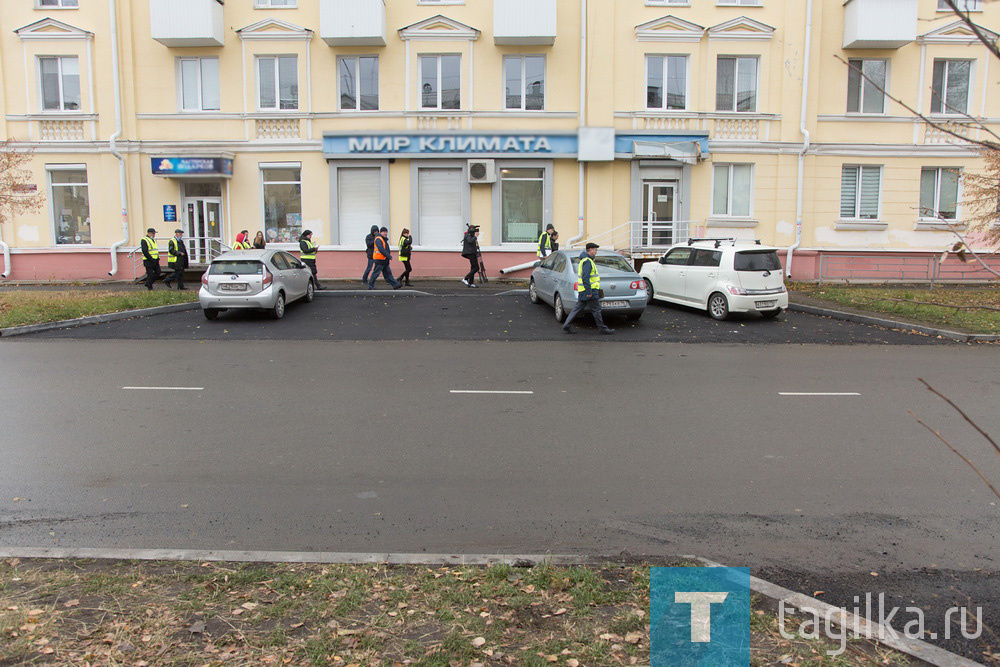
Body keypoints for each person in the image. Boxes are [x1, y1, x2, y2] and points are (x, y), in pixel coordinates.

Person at [562, 242, 615, 335]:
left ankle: (566, 325)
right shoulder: (587, 261)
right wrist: (589, 291)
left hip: (584, 290)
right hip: (590, 290)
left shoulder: (585, 260)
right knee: (596, 310)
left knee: (577, 309)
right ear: (590, 250)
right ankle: (602, 328)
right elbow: (585, 277)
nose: (596, 252)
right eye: (595, 250)